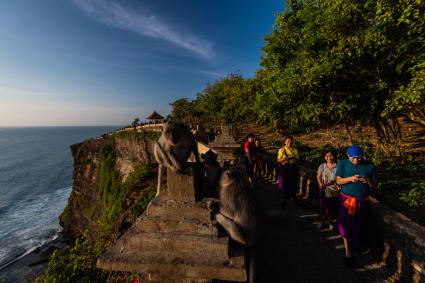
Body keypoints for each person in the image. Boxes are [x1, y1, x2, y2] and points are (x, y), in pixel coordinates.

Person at [336, 145, 376, 265]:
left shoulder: (369, 166)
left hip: (362, 202)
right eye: (353, 158)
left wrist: (368, 180)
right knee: (345, 225)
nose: (356, 160)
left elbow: (375, 185)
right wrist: (350, 179)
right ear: (348, 156)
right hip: (347, 201)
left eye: (358, 158)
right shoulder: (343, 164)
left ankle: (357, 248)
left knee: (359, 226)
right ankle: (348, 251)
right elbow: (338, 181)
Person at [316, 150, 339, 229]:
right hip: (324, 189)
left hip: (335, 190)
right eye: (327, 156)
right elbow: (318, 176)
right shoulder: (322, 166)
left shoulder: (338, 166)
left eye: (331, 155)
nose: (329, 157)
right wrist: (320, 183)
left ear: (334, 156)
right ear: (324, 157)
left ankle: (330, 222)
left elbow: (340, 178)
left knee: (332, 207)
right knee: (323, 206)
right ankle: (322, 222)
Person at [277, 136, 300, 205]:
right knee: (284, 182)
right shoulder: (281, 150)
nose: (289, 143)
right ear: (285, 142)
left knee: (292, 182)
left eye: (290, 141)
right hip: (284, 167)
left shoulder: (295, 150)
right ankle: (283, 197)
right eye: (288, 141)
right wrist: (284, 159)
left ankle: (292, 197)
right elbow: (278, 160)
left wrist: (294, 158)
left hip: (292, 167)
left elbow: (298, 159)